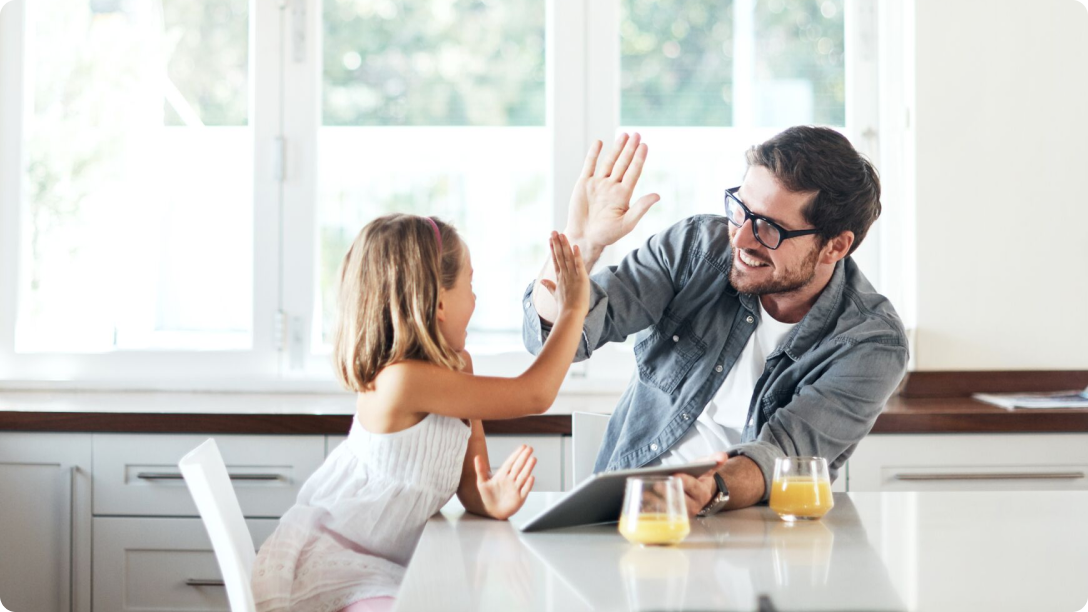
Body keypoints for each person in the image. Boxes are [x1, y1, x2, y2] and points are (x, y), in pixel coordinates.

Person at [523, 126, 909, 517]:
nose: (741, 239)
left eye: (769, 229)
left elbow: (786, 454)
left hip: (753, 535)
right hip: (631, 514)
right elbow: (557, 343)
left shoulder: (869, 342)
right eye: (740, 209)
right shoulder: (696, 248)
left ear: (836, 245)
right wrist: (581, 244)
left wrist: (712, 489)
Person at [253, 214, 589, 612]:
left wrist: (488, 498)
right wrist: (572, 312)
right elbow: (534, 395)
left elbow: (469, 478)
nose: (476, 299)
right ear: (441, 302)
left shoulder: (459, 367)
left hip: (392, 565)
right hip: (339, 562)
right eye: (471, 283)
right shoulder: (401, 381)